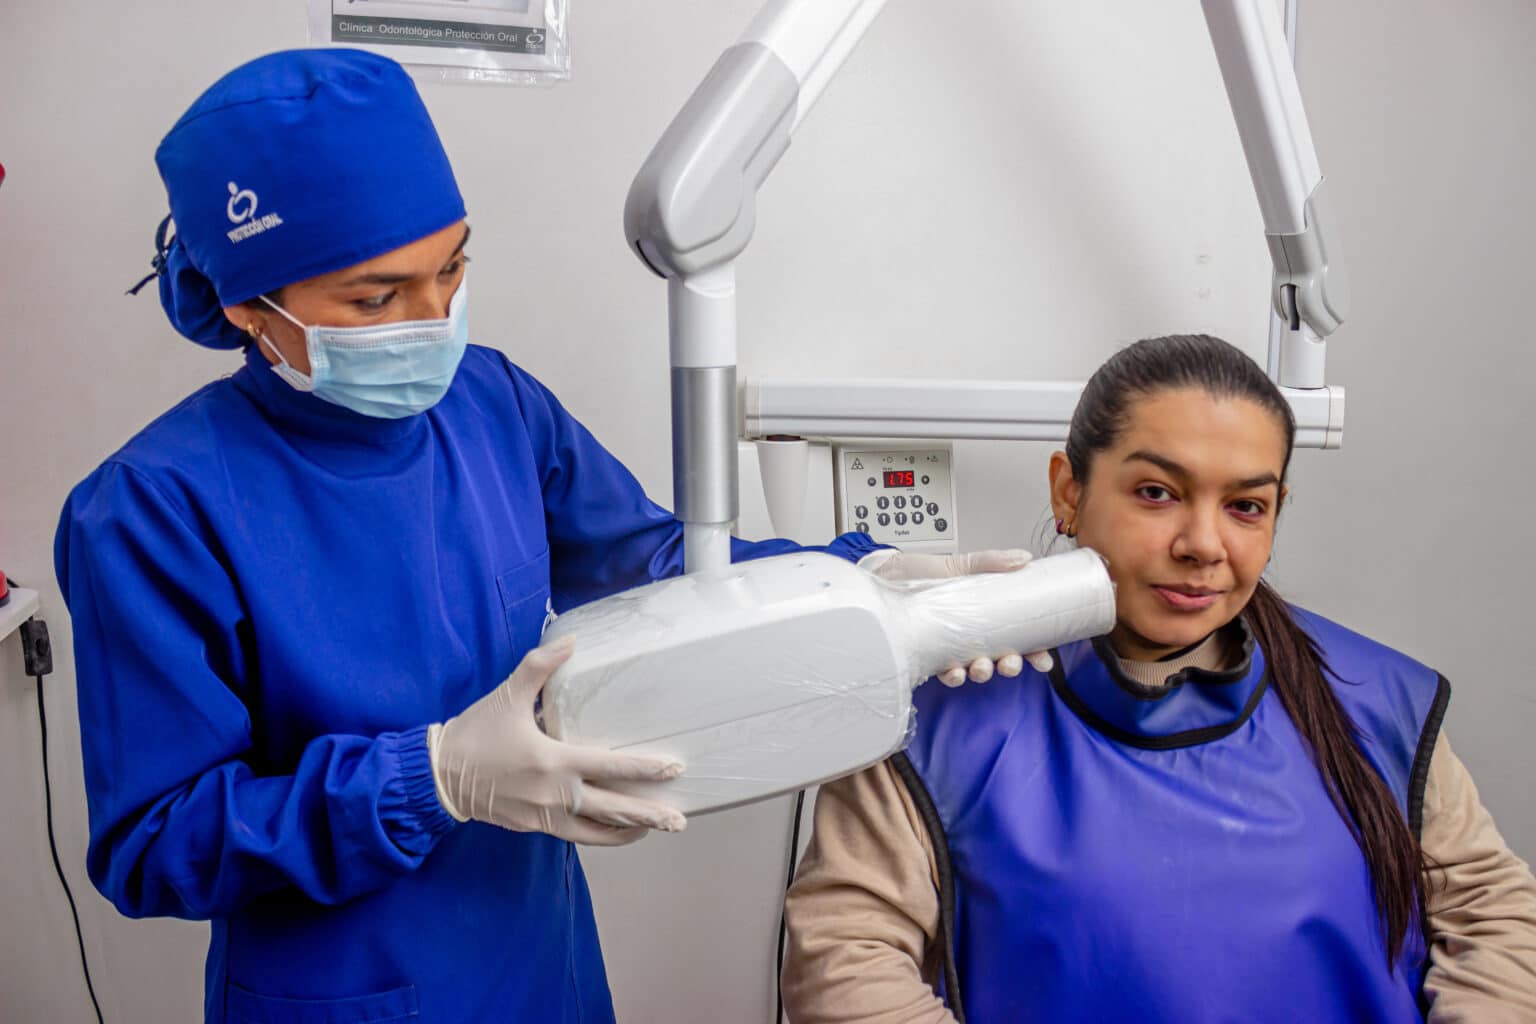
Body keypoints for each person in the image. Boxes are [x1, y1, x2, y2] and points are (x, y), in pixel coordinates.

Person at [54, 49, 1036, 1023]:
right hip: (342, 992)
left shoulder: (492, 403)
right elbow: (155, 843)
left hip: (542, 963)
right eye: (376, 298)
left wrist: (863, 575)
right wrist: (430, 780)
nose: (434, 318)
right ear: (246, 304)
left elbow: (654, 564)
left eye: (452, 267)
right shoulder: (150, 509)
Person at [782, 334, 1536, 1023]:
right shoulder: (934, 719)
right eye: (1157, 493)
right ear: (1069, 492)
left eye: (1246, 506)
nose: (1204, 544)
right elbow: (847, 959)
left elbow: (1493, 913)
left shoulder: (1379, 702)